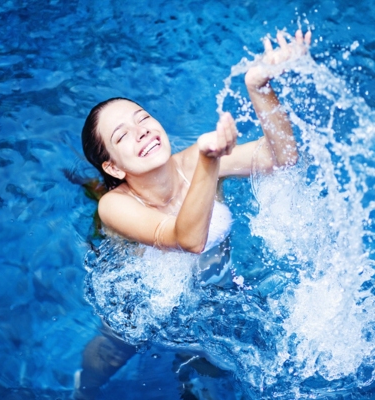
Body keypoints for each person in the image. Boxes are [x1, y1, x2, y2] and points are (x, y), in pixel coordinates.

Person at [74, 28, 312, 400]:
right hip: (143, 301)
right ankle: (81, 390)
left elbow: (282, 157)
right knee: (114, 351)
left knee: (214, 361)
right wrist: (209, 161)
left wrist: (258, 87)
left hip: (211, 291)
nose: (142, 131)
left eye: (143, 117)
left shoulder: (196, 161)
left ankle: (187, 376)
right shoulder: (115, 205)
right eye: (122, 136)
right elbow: (187, 239)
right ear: (115, 168)